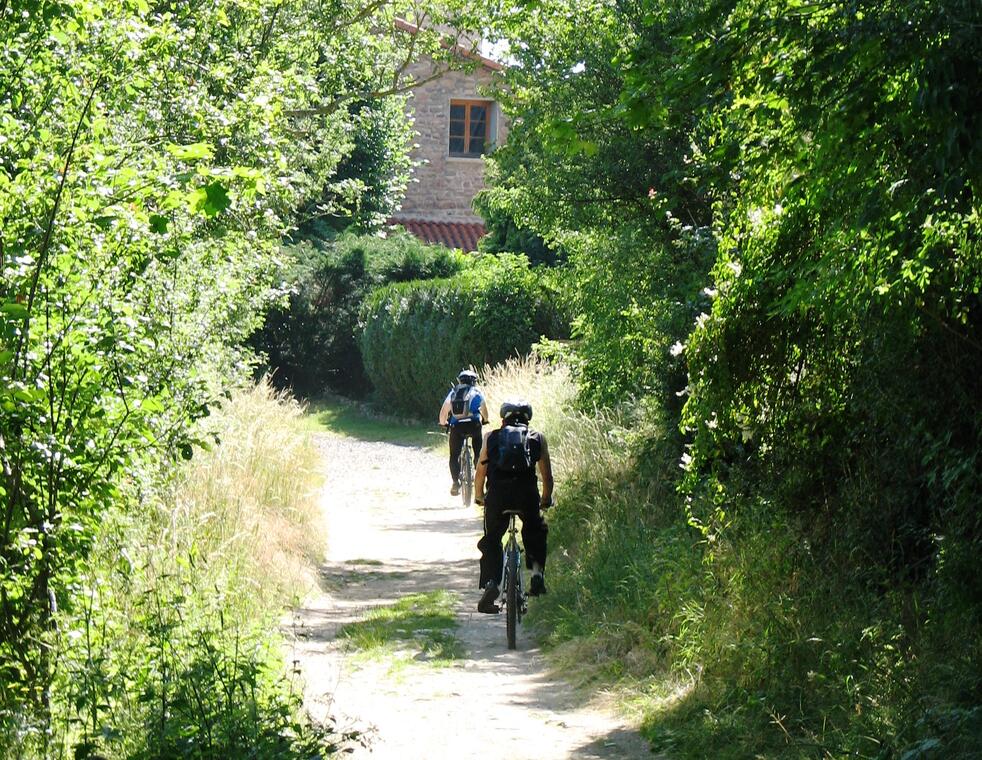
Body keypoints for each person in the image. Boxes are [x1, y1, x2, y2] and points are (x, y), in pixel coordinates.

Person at [474, 399, 553, 613]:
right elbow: (547, 477)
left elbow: (480, 473)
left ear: (502, 419)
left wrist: (479, 496)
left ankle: (492, 583)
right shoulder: (537, 438)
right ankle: (537, 574)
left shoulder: (491, 437)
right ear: (528, 419)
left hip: (498, 496)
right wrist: (546, 499)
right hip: (526, 496)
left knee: (492, 539)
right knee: (535, 530)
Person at [438, 369, 489, 495]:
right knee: (479, 451)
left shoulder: (454, 392)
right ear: (474, 381)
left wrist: (443, 423)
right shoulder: (476, 392)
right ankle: (477, 467)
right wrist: (485, 420)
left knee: (454, 456)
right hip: (474, 425)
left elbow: (444, 411)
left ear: (460, 381)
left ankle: (456, 483)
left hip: (457, 427)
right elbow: (484, 408)